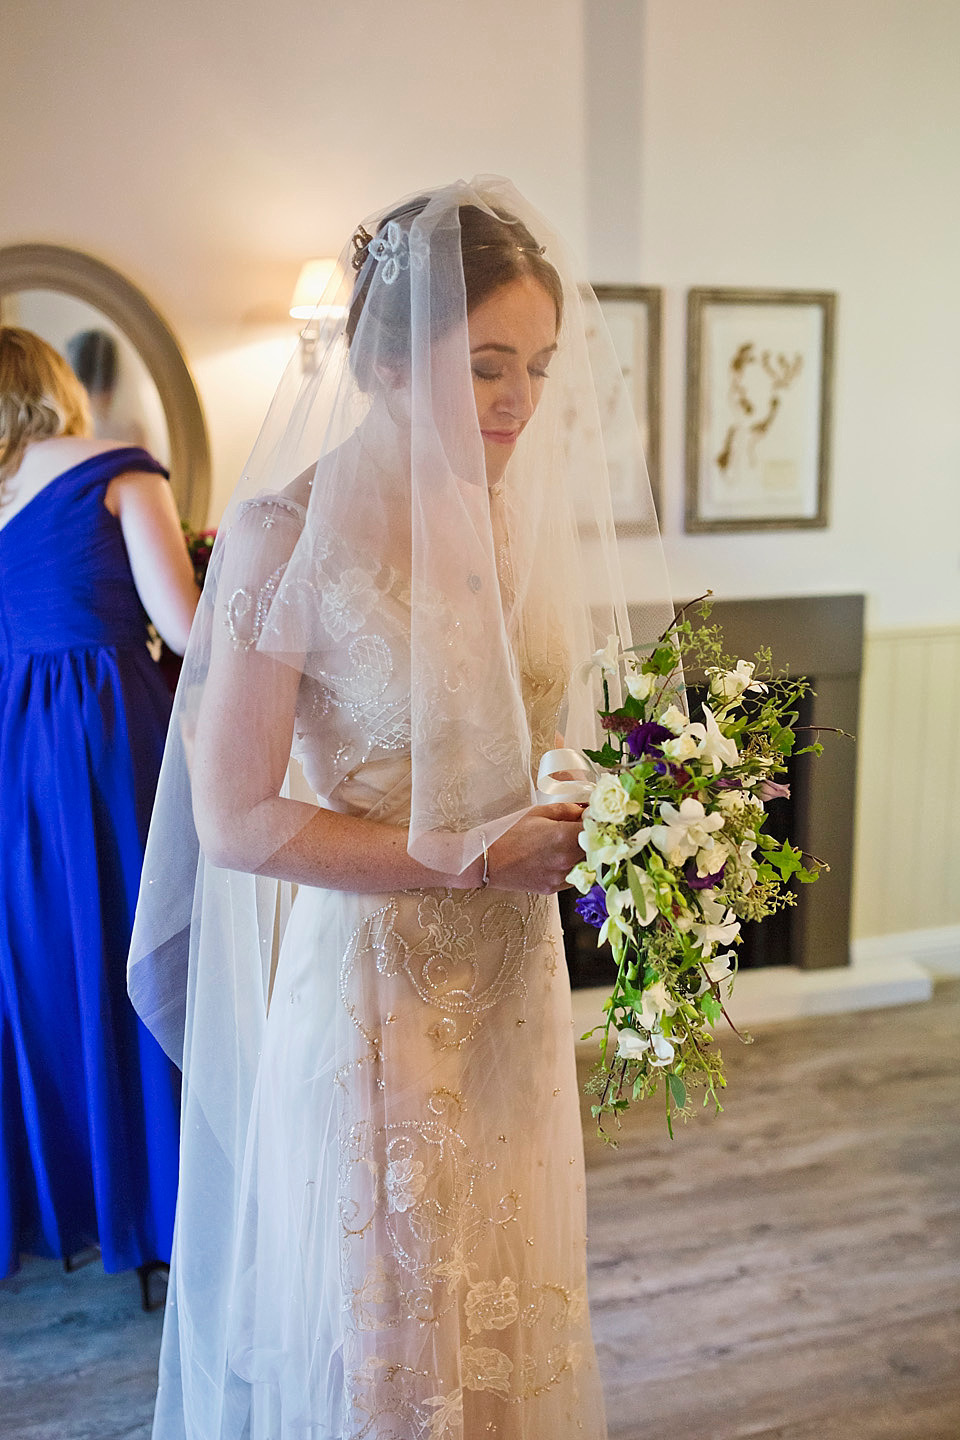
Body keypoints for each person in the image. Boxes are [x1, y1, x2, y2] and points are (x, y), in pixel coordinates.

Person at [129, 178, 674, 1438]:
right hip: (384, 991)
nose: (520, 403)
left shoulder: (507, 516)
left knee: (511, 1300)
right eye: (487, 366)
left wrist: (619, 814)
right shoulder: (283, 535)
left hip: (514, 982)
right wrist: (471, 862)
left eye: (537, 367)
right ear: (381, 361)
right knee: (396, 1337)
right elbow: (237, 821)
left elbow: (534, 734)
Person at [0, 327, 199, 1303]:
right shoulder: (116, 467)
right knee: (145, 949)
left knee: (56, 976)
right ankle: (165, 1212)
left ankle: (91, 1205)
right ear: (54, 386)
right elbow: (188, 629)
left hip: (20, 754)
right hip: (111, 737)